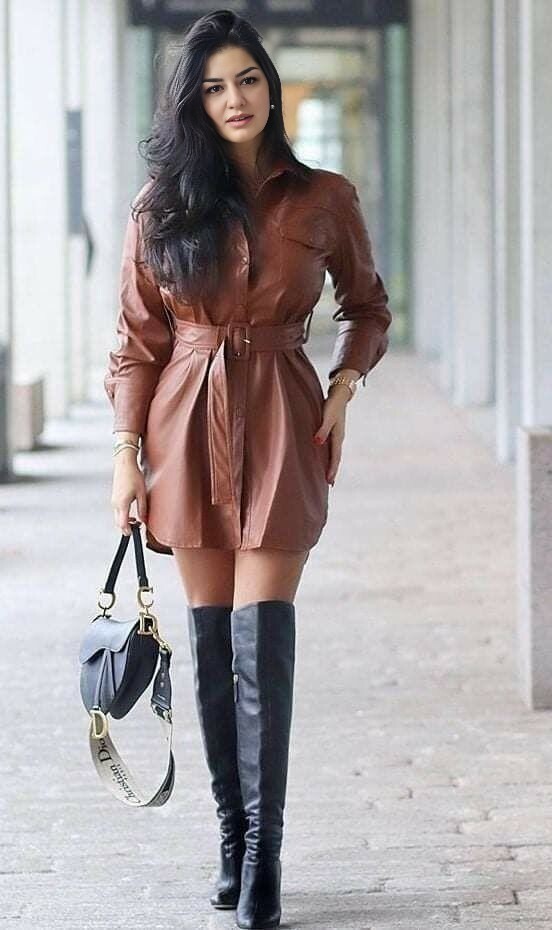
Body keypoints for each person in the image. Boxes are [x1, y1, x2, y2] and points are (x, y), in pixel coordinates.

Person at [104, 9, 392, 929]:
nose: (235, 99)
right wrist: (125, 456)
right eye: (214, 86)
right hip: (183, 422)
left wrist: (344, 385)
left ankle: (264, 857)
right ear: (193, 101)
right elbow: (136, 342)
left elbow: (368, 307)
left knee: (263, 642)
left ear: (271, 86)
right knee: (212, 643)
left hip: (281, 417)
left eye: (248, 80)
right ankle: (230, 839)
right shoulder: (159, 205)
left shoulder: (324, 198)